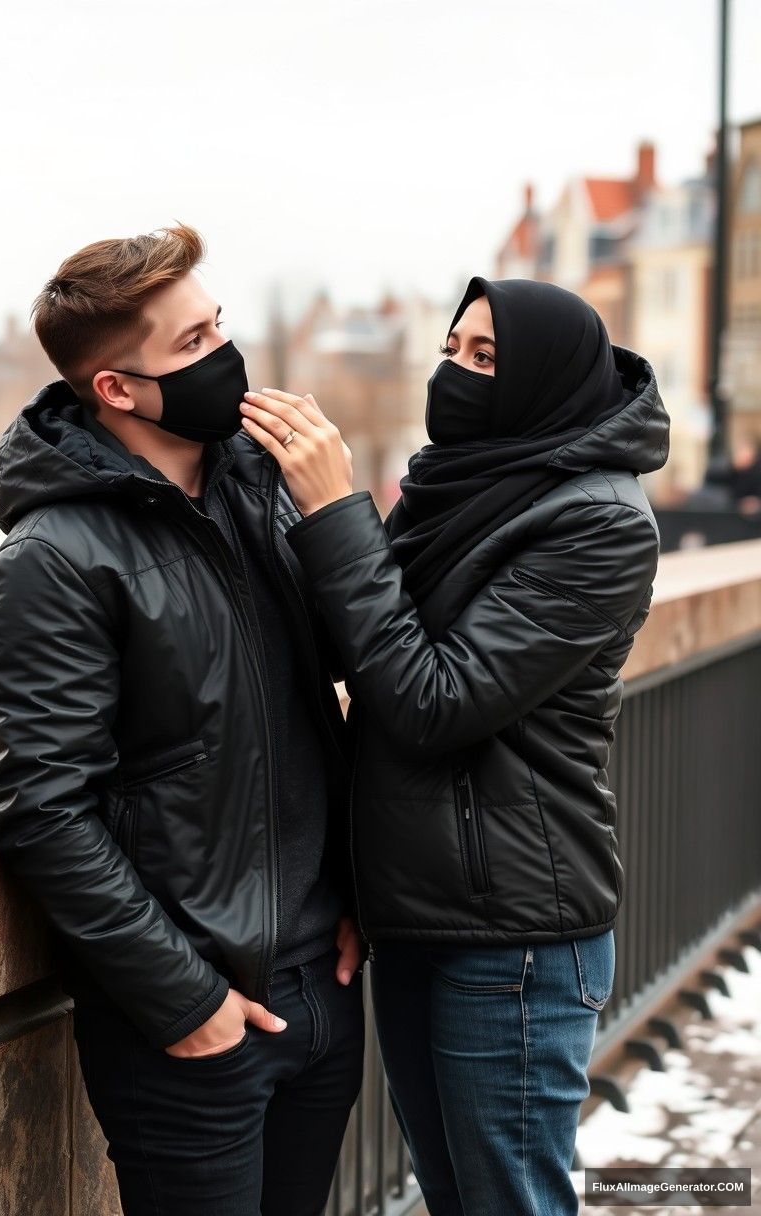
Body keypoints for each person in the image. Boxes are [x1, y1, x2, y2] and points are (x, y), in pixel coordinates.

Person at [239, 276, 670, 1216]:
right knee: (452, 1195)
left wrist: (334, 510)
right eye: (452, 349)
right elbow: (360, 638)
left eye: (486, 358)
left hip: (514, 934)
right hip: (420, 908)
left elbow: (431, 699)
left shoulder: (598, 521)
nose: (457, 373)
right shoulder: (462, 480)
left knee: (505, 1201)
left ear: (546, 384)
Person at [0, 224, 364, 1216]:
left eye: (217, 325)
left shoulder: (266, 490)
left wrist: (338, 510)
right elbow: (46, 808)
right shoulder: (52, 561)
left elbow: (370, 679)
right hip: (194, 1023)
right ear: (115, 388)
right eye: (191, 345)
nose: (225, 357)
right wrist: (185, 1000)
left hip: (324, 983)